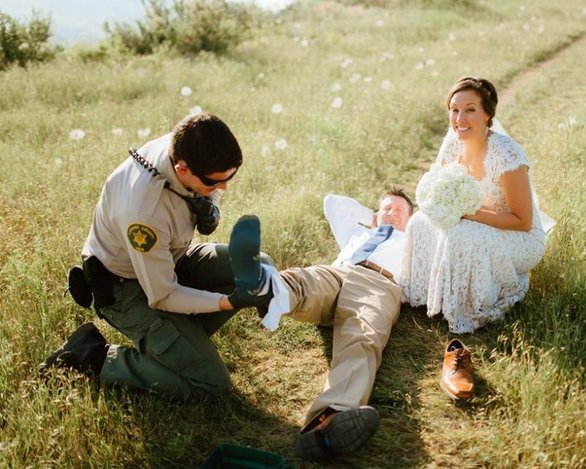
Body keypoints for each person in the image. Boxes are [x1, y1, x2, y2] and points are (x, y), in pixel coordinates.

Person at [41, 112, 271, 400]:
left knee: (259, 267)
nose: (223, 187)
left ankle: (180, 342)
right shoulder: (143, 212)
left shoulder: (185, 145)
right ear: (182, 169)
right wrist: (227, 302)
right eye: (214, 182)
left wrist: (210, 204)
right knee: (211, 383)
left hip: (169, 261)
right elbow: (162, 295)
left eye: (229, 178)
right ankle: (91, 356)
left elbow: (212, 189)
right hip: (127, 290)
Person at [230, 186, 421, 461]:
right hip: (338, 273)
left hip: (378, 285)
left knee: (362, 339)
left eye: (399, 210)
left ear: (411, 218)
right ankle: (266, 289)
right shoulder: (358, 234)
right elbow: (332, 203)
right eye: (387, 208)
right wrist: (374, 217)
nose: (391, 213)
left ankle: (330, 418)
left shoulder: (414, 243)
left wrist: (407, 223)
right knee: (302, 280)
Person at [400, 76, 550, 397]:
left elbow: (523, 221)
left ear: (487, 114)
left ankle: (469, 308)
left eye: (470, 110)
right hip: (472, 221)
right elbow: (439, 188)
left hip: (518, 237)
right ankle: (431, 295)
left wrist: (466, 212)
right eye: (454, 110)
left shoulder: (507, 157)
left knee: (464, 234)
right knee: (419, 223)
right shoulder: (452, 142)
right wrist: (440, 205)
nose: (460, 119)